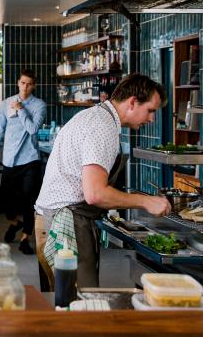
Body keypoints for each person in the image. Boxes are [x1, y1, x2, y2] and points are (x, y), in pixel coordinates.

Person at [34, 73, 171, 287]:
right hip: (66, 223)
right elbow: (95, 193)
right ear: (133, 102)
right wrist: (147, 202)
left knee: (62, 303)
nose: (151, 119)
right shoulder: (102, 127)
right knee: (80, 307)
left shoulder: (93, 116)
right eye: (150, 111)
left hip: (52, 217)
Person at [0, 69, 47, 255]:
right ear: (18, 83)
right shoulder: (6, 103)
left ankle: (25, 238)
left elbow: (32, 129)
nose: (25, 87)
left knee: (29, 201)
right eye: (22, 83)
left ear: (34, 86)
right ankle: (15, 223)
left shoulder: (39, 105)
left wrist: (21, 110)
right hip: (9, 159)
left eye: (29, 84)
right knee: (6, 201)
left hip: (30, 159)